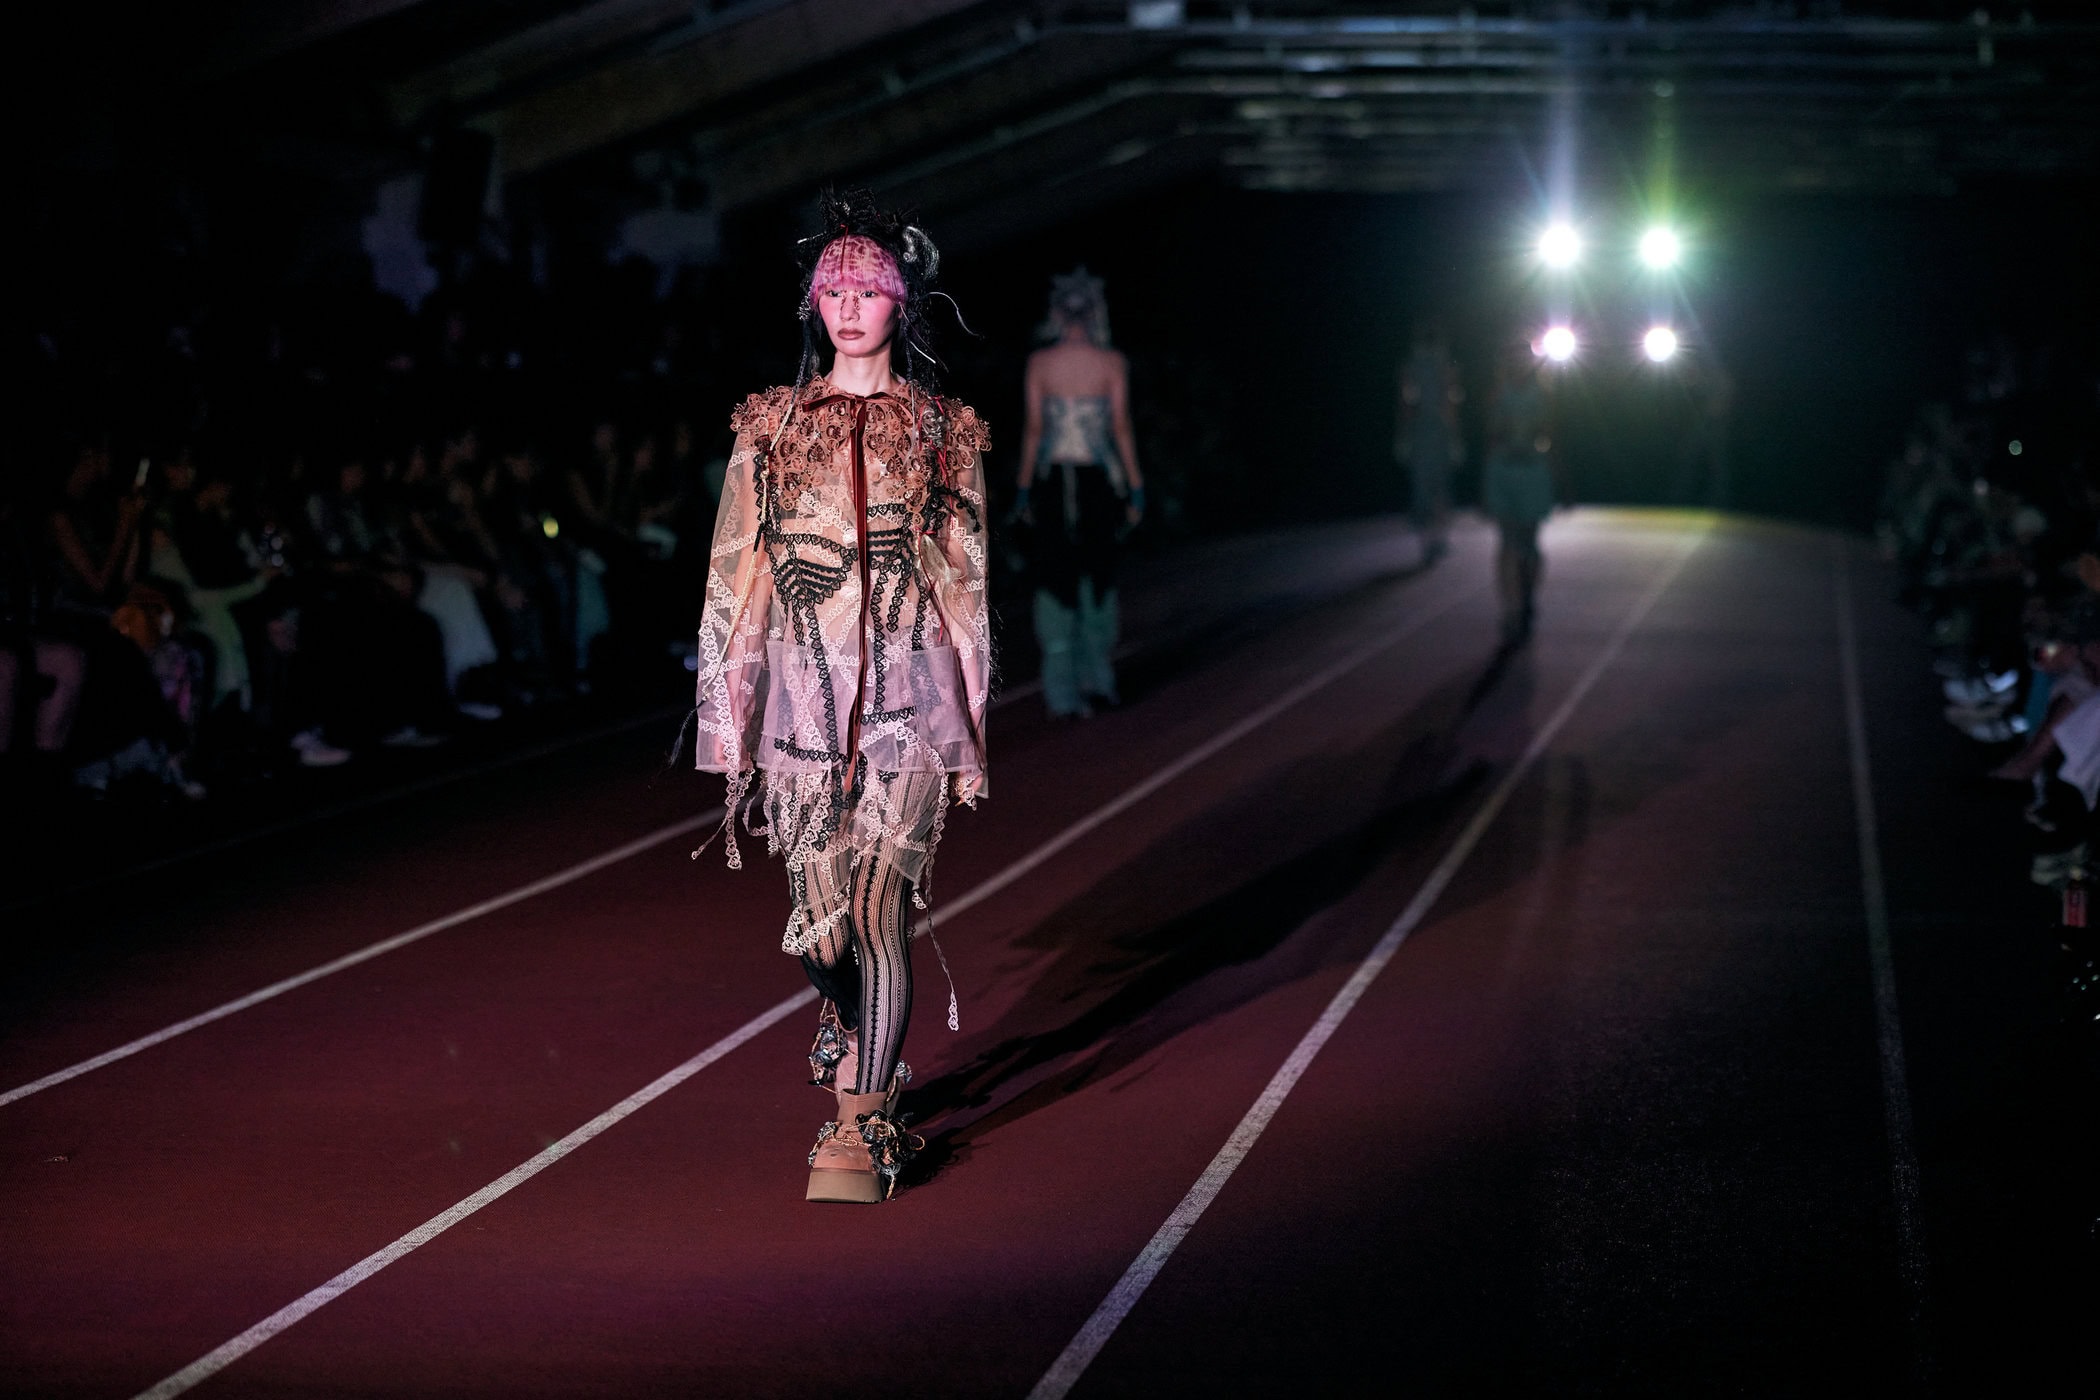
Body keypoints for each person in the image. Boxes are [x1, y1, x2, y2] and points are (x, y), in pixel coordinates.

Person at [691, 191, 990, 1204]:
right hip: (804, 708)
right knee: (822, 932)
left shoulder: (944, 428)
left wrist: (972, 726)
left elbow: (967, 578)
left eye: (868, 290)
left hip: (911, 697)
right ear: (814, 303)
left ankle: (863, 1123)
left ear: (900, 300)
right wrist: (726, 714)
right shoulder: (770, 425)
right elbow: (733, 576)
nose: (850, 307)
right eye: (834, 290)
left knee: (877, 906)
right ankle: (853, 1013)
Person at [1017, 266, 1143, 718]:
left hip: (1054, 481)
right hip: (1096, 481)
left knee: (1056, 578)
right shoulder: (1111, 362)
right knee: (1098, 575)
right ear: (1094, 313)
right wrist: (1135, 487)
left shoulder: (1041, 363)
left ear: (1057, 312)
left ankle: (1063, 694)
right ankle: (1098, 681)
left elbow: (1035, 430)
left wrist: (1024, 488)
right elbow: (1120, 428)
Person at [1482, 339, 1562, 643]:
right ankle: (1509, 608)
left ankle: (1529, 596)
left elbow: (1550, 435)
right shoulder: (1498, 394)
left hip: (1532, 472)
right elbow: (1491, 437)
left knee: (1529, 543)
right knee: (1506, 542)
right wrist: (1484, 484)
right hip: (1503, 471)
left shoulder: (1542, 394)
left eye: (1523, 358)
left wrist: (1560, 478)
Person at [1397, 322, 1463, 560]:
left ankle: (1429, 542)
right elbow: (1449, 404)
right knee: (1438, 487)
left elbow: (1406, 405)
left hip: (1422, 432)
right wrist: (1455, 438)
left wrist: (1404, 436)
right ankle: (1436, 539)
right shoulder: (1444, 367)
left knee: (1424, 487)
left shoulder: (1411, 366)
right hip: (1435, 431)